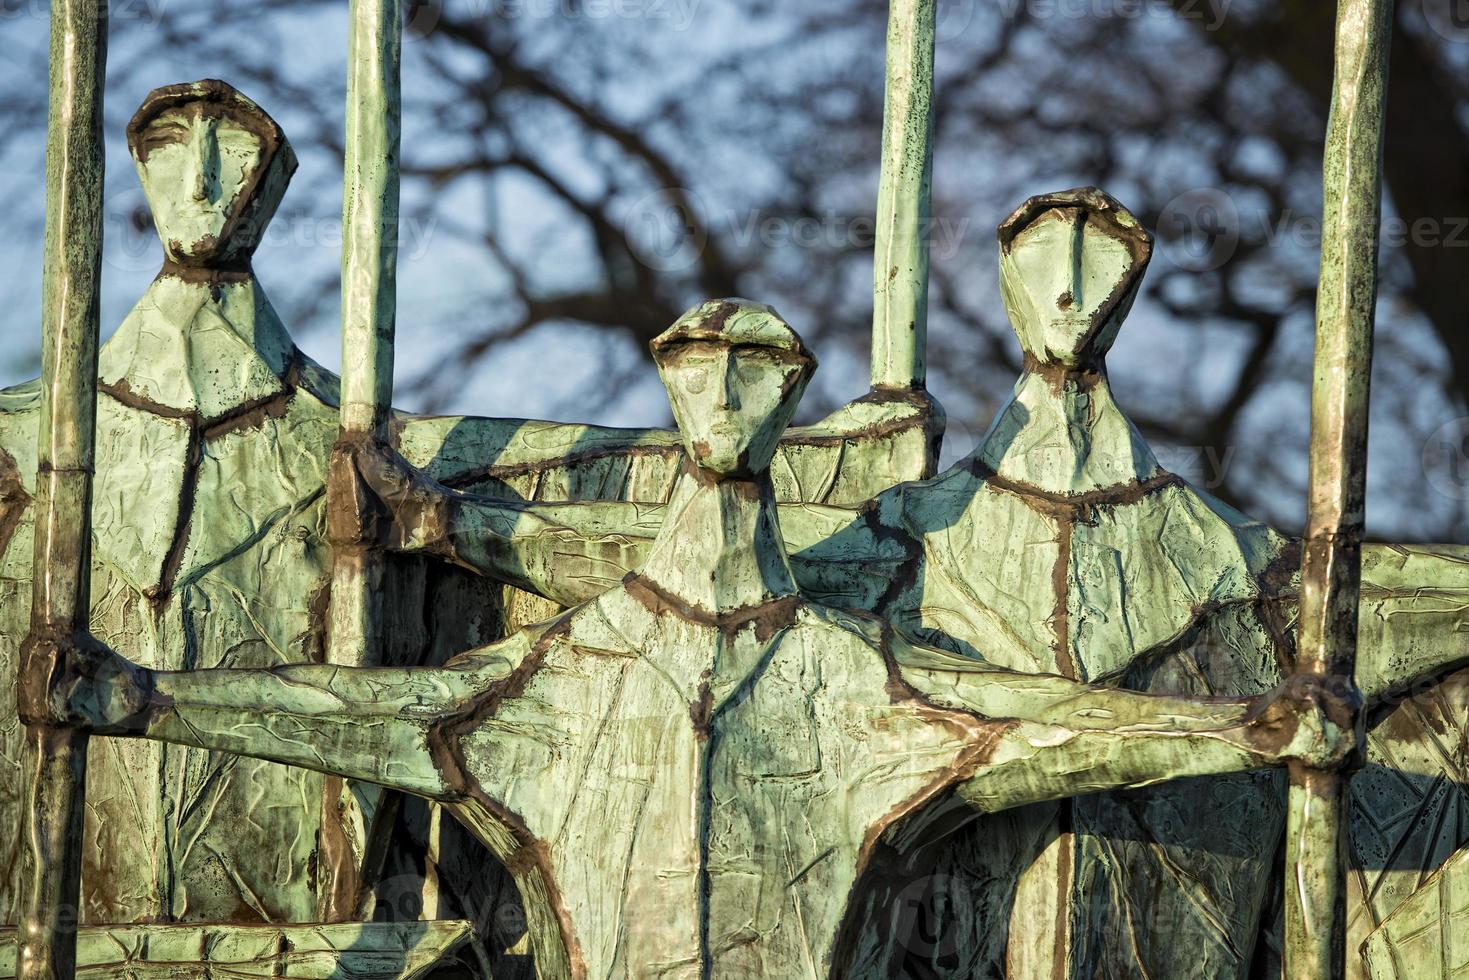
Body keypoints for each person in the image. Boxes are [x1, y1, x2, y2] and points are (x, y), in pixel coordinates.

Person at [334, 189, 1469, 977]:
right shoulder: (906, 541)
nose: (1068, 290)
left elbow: (1399, 598)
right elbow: (678, 580)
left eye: (1098, 261)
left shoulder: (1238, 563)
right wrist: (456, 524)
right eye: (1040, 260)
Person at [53, 302, 1355, 979]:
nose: (724, 395)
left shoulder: (858, 679)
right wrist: (145, 697)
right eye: (700, 372)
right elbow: (369, 714)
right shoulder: (575, 671)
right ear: (670, 395)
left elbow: (1048, 724)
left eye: (755, 373)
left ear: (788, 402)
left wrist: (1238, 724)